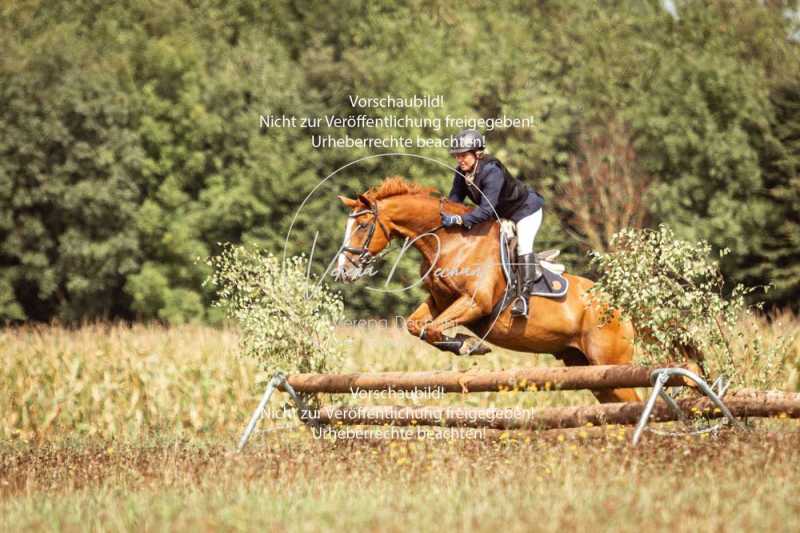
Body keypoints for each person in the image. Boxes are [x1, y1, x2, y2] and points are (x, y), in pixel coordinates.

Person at [440, 128, 545, 318]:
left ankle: (523, 299)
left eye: (464, 155)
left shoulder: (492, 171)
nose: (460, 160)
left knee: (523, 246)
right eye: (457, 156)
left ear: (477, 153)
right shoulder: (462, 172)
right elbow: (454, 201)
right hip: (501, 215)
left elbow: (487, 210)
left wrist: (459, 219)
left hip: (525, 211)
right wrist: (443, 213)